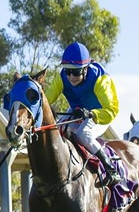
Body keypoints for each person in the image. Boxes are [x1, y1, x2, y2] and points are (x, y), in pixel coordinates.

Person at [43, 42, 121, 186]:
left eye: (76, 72)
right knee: (56, 129)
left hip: (100, 114)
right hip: (78, 111)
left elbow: (112, 110)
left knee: (83, 134)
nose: (71, 76)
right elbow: (45, 100)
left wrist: (91, 114)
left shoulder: (100, 79)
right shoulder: (62, 78)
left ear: (85, 69)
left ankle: (111, 170)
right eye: (68, 71)